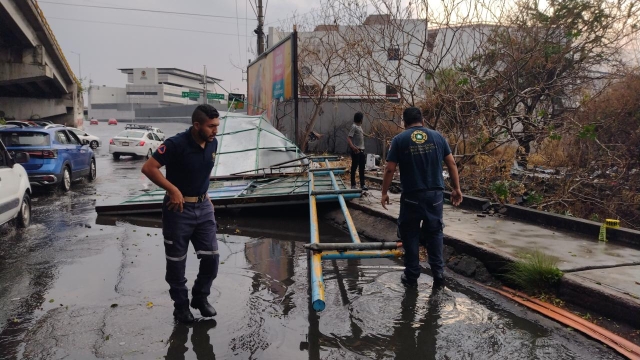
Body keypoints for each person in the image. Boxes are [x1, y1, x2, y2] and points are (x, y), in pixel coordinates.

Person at [141, 104, 221, 323]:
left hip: (203, 208)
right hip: (178, 210)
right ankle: (181, 307)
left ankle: (200, 298)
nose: (215, 130)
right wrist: (172, 189)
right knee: (177, 262)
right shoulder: (175, 144)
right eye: (211, 126)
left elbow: (201, 173)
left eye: (217, 126)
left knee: (211, 259)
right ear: (197, 125)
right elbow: (149, 168)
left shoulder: (213, 143)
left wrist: (207, 199)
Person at [380, 107, 462, 289]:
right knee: (434, 233)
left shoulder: (399, 140)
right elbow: (451, 163)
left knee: (410, 234)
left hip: (411, 197)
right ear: (423, 121)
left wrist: (384, 192)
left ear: (404, 123)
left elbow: (389, 169)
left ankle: (411, 276)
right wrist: (456, 188)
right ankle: (439, 275)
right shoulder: (438, 137)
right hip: (435, 196)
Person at [347, 112, 368, 190]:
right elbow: (349, 138)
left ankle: (362, 184)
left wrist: (369, 135)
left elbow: (361, 134)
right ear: (360, 119)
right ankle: (353, 185)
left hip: (362, 150)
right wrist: (353, 147)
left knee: (362, 168)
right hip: (356, 151)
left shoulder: (359, 127)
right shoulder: (354, 126)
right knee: (354, 168)